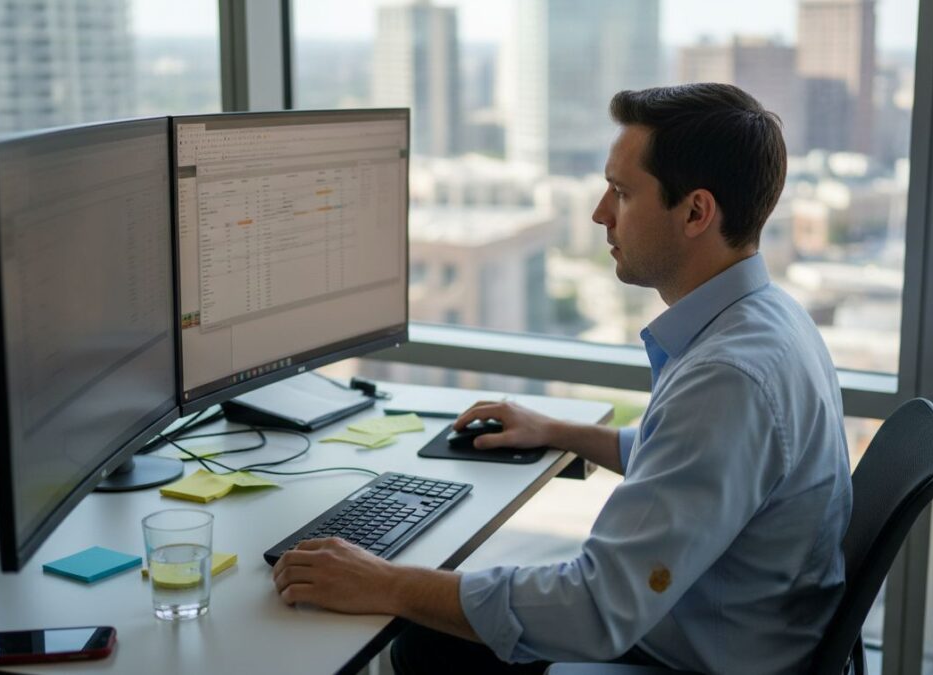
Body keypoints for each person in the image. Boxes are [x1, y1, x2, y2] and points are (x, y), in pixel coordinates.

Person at [272, 83, 852, 675]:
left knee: (421, 639)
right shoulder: (770, 317)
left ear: (696, 212)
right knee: (434, 638)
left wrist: (388, 583)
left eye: (622, 193)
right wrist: (561, 431)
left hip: (693, 658)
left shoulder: (727, 380)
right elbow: (688, 462)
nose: (601, 212)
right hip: (718, 626)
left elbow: (595, 609)